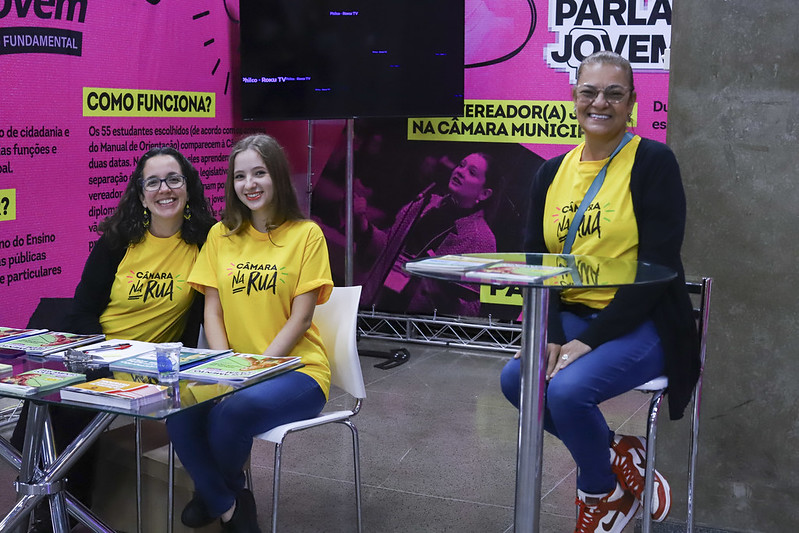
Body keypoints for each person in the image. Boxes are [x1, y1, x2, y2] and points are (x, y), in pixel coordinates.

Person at [499, 51, 699, 533]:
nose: (600, 103)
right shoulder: (551, 172)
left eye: (614, 93)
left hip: (644, 320)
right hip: (574, 313)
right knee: (516, 380)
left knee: (567, 393)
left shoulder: (653, 162)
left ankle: (599, 493)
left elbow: (659, 268)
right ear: (574, 97)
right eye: (589, 92)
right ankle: (618, 453)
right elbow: (537, 262)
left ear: (631, 102)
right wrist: (550, 333)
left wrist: (587, 341)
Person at [11, 146, 215, 531]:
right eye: (153, 182)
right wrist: (101, 352)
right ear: (141, 194)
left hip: (148, 366)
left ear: (188, 187)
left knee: (66, 407)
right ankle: (50, 506)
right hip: (98, 351)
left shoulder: (207, 242)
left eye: (173, 179)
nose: (164, 189)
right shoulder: (118, 240)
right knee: (45, 400)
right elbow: (82, 309)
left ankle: (57, 508)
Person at [167, 134, 333, 533]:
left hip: (297, 371)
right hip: (236, 369)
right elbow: (213, 310)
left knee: (233, 412)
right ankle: (229, 504)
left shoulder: (306, 235)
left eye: (259, 173)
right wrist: (226, 368)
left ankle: (212, 496)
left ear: (277, 176)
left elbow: (301, 318)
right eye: (240, 176)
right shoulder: (219, 236)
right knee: (177, 412)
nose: (249, 184)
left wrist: (254, 372)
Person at [355, 151, 497, 316]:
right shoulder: (426, 203)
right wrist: (361, 222)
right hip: (377, 302)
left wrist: (436, 289)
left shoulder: (480, 238)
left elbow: (471, 308)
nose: (460, 172)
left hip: (416, 321)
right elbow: (387, 247)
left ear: (484, 193)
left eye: (471, 172)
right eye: (461, 165)